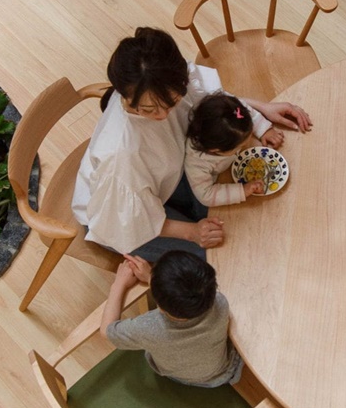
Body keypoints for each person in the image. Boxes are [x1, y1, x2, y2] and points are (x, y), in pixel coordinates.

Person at [72, 26, 311, 261]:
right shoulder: (122, 155)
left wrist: (260, 111)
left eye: (172, 102)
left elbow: (208, 102)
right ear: (124, 96)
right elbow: (127, 220)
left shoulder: (168, 78)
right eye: (148, 109)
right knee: (221, 253)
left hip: (162, 178)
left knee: (234, 216)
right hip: (118, 215)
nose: (162, 115)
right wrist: (193, 232)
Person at [100, 250, 242, 387]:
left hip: (183, 378)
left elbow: (106, 331)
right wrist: (153, 279)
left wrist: (119, 284)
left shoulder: (148, 328)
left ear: (159, 304)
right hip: (226, 369)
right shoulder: (220, 302)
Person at [184, 93, 268, 207]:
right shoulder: (197, 163)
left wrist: (264, 129)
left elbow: (244, 109)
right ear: (215, 150)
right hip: (213, 183)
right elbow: (206, 195)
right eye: (240, 146)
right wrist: (243, 190)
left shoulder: (233, 112)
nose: (245, 145)